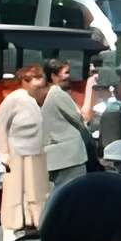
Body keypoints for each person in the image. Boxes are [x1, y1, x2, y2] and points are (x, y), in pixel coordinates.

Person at [0, 61, 51, 241]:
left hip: (35, 150)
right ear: (26, 80)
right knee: (14, 189)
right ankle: (10, 227)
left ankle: (32, 222)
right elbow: (0, 126)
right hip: (16, 150)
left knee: (36, 189)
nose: (41, 82)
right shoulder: (14, 98)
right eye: (37, 78)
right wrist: (3, 152)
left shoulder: (32, 99)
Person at [40, 57, 93, 192]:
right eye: (66, 72)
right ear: (53, 76)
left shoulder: (48, 95)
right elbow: (81, 119)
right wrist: (90, 87)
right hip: (69, 158)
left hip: (57, 157)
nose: (69, 76)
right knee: (72, 195)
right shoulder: (58, 95)